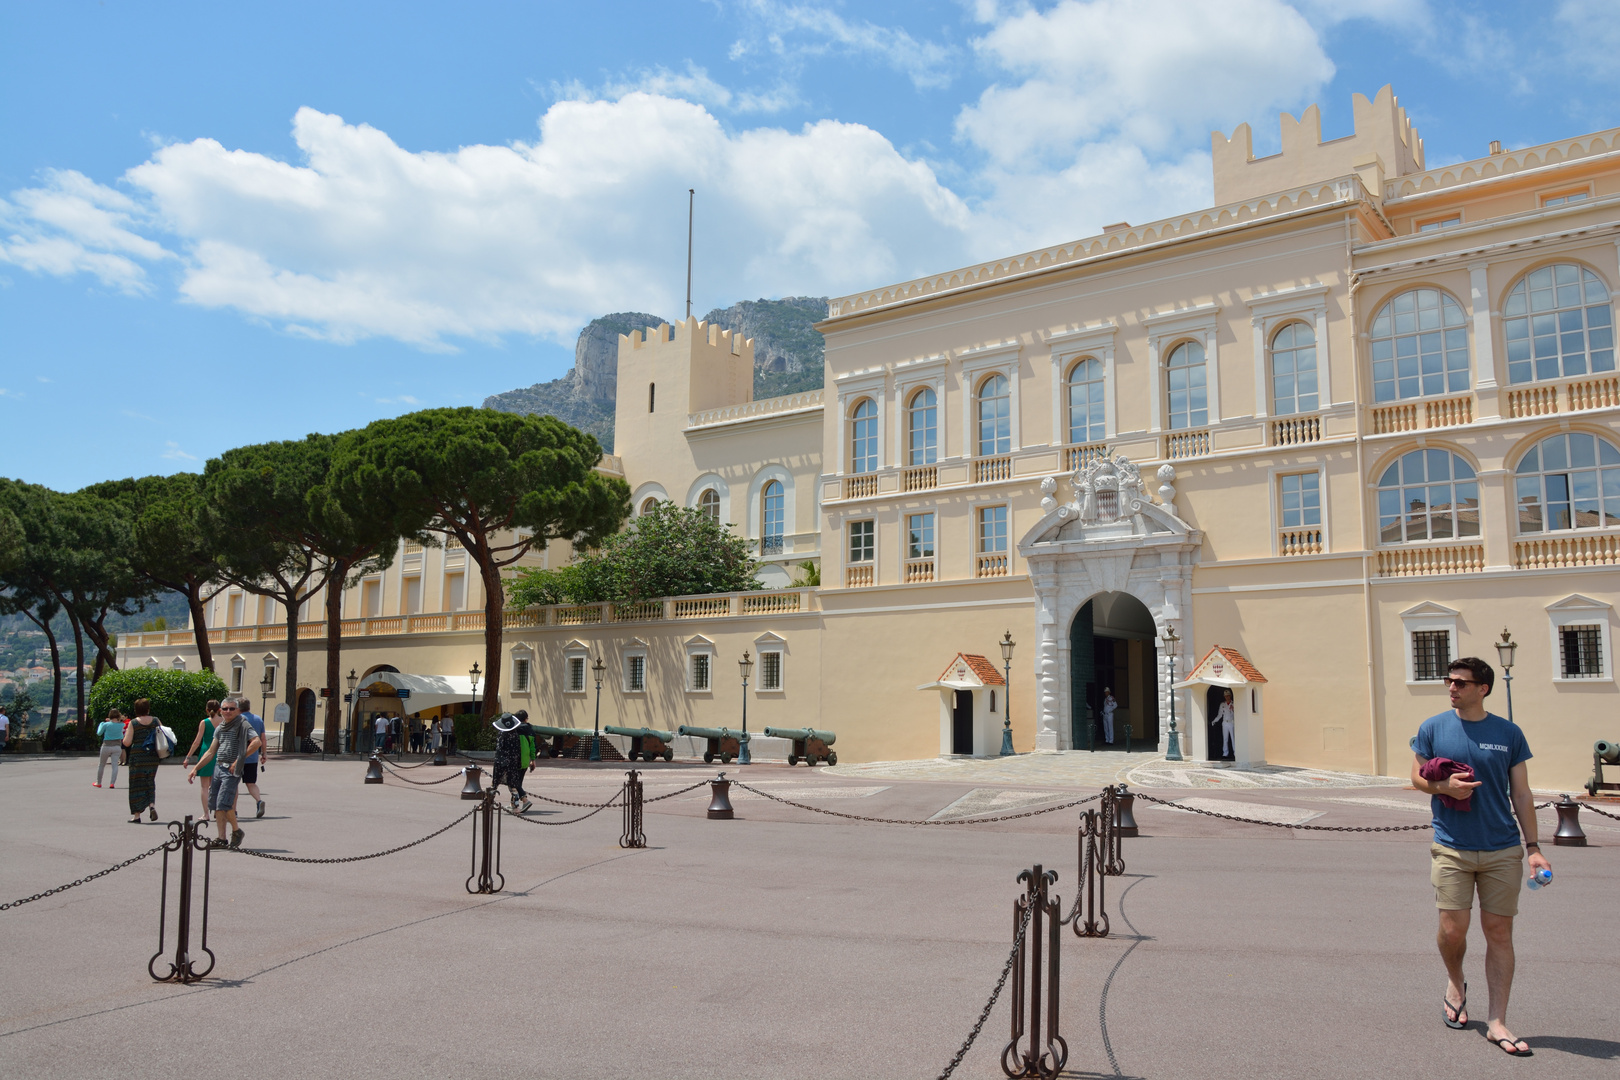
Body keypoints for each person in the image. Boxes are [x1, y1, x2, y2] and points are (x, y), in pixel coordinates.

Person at [1411, 656, 1548, 1058]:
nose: (1452, 688)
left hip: (1502, 848)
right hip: (1451, 845)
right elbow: (1417, 777)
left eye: (1460, 682)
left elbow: (1521, 793)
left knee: (1499, 933)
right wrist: (1443, 788)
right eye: (1449, 681)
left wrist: (1534, 848)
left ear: (1483, 688)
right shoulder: (1433, 727)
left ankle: (1497, 1021)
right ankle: (1456, 981)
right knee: (1453, 931)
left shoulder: (1508, 733)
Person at [187, 698, 262, 848]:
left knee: (224, 803)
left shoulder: (243, 724)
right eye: (225, 708)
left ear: (238, 710)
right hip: (218, 767)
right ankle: (221, 838)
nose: (228, 711)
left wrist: (239, 759)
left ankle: (236, 830)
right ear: (220, 710)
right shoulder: (220, 727)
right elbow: (211, 751)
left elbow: (257, 742)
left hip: (231, 770)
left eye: (232, 709)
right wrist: (196, 768)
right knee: (216, 805)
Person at [121, 698, 163, 823]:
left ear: (136, 710)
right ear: (148, 709)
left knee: (136, 785)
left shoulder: (133, 723)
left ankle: (137, 815)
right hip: (152, 756)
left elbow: (127, 742)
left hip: (137, 757)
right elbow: (163, 733)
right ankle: (151, 805)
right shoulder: (155, 720)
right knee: (150, 781)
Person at [490, 713, 541, 813]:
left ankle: (488, 802)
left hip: (502, 762)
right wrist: (532, 759)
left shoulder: (502, 734)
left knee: (495, 783)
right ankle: (516, 806)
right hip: (516, 762)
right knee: (513, 785)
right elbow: (526, 747)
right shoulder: (516, 734)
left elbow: (499, 749)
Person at [182, 700, 220, 818]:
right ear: (220, 709)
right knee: (217, 784)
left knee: (204, 786)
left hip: (206, 752)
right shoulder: (223, 721)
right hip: (219, 751)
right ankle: (217, 810)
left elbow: (197, 741)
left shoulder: (204, 722)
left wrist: (188, 756)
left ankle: (206, 813)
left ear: (207, 710)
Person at [238, 699, 267, 819]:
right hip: (253, 757)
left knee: (233, 784)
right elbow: (263, 739)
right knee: (251, 783)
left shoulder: (237, 719)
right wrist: (264, 753)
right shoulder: (258, 719)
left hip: (237, 757)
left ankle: (233, 810)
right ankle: (259, 801)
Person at [93, 708, 125, 788]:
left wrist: (102, 723)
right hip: (117, 746)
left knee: (101, 765)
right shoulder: (122, 725)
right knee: (115, 765)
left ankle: (98, 782)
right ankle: (112, 783)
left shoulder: (106, 724)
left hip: (106, 745)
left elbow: (99, 733)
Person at [1213, 690, 1235, 759]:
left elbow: (1237, 713)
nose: (1227, 697)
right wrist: (1214, 721)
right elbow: (1220, 715)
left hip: (1231, 722)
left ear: (1230, 696)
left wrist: (1233, 709)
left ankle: (1235, 753)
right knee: (1225, 739)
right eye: (1225, 696)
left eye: (1228, 696)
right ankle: (1225, 753)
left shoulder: (1233, 703)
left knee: (1233, 738)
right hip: (1225, 722)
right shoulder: (1222, 704)